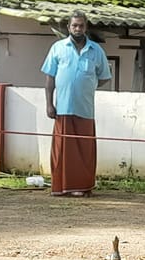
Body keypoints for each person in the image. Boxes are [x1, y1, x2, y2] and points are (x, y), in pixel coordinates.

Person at [42, 12, 112, 197]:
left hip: (85, 110)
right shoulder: (57, 48)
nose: (78, 29)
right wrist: (49, 104)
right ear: (68, 27)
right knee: (62, 151)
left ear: (86, 27)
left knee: (84, 152)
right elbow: (50, 79)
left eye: (81, 25)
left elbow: (104, 77)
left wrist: (88, 85)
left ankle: (81, 188)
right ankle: (60, 187)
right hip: (63, 109)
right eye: (74, 26)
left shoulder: (96, 50)